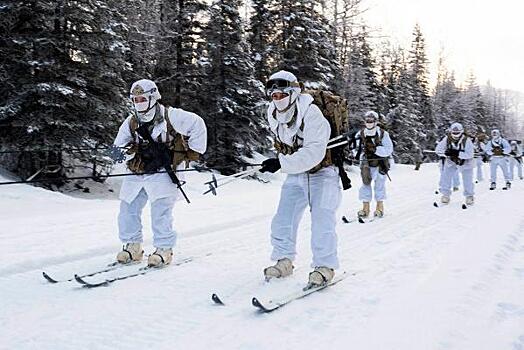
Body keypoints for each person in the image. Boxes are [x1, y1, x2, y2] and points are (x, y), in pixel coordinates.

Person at [108, 79, 207, 267]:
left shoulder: (173, 116)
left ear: (153, 97)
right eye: (135, 100)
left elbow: (198, 123)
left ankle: (164, 249)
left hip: (164, 170)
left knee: (160, 211)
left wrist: (194, 150)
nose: (138, 103)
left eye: (142, 99)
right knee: (128, 208)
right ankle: (132, 246)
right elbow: (117, 148)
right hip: (138, 171)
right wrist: (124, 153)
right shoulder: (131, 122)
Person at [259, 70, 341, 287]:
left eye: (281, 94)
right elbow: (285, 143)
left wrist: (282, 163)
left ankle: (324, 266)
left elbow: (315, 152)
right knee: (283, 217)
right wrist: (276, 160)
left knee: (322, 218)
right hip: (296, 173)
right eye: (273, 96)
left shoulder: (311, 113)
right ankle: (284, 260)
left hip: (323, 172)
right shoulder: (272, 113)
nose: (277, 99)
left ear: (293, 92)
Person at [354, 111, 394, 218]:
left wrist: (375, 149)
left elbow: (389, 149)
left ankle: (379, 207)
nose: (369, 122)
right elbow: (355, 149)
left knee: (379, 185)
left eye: (371, 120)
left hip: (380, 163)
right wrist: (362, 153)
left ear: (375, 121)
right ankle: (365, 208)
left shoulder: (383, 134)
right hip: (366, 163)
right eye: (367, 120)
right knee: (365, 184)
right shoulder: (361, 133)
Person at [435, 122, 475, 205]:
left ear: (461, 132)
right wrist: (446, 153)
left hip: (465, 162)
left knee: (467, 179)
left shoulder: (466, 140)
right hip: (451, 161)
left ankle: (469, 196)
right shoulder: (447, 139)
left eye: (457, 133)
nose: (455, 135)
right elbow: (438, 150)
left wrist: (457, 153)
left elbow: (470, 154)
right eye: (454, 133)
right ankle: (445, 195)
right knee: (446, 177)